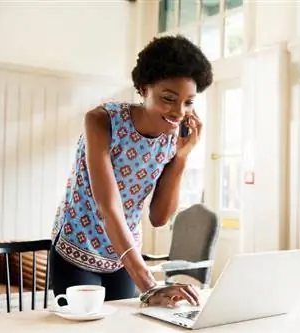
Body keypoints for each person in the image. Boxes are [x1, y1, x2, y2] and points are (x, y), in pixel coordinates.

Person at [49, 35, 213, 308]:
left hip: (124, 255)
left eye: (188, 102)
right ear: (143, 88)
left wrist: (182, 158)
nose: (179, 112)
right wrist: (149, 284)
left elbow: (160, 217)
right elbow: (108, 207)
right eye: (169, 99)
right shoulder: (101, 121)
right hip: (78, 248)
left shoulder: (174, 139)